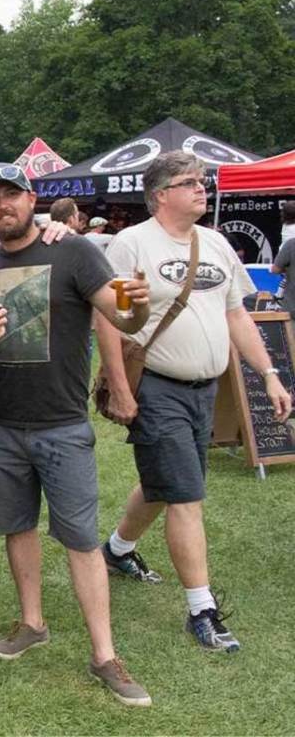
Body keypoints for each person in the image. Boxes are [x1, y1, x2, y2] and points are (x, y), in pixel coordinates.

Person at [0, 161, 152, 707]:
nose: (4, 206)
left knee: (79, 538)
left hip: (61, 424)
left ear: (33, 200)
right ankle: (32, 623)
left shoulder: (73, 252)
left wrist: (137, 301)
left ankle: (105, 655)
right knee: (16, 527)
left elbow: (121, 320)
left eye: (13, 195)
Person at [97, 151, 292, 652]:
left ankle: (117, 549)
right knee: (186, 495)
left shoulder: (219, 243)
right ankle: (201, 608)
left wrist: (269, 373)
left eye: (203, 182)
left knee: (165, 483)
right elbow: (107, 320)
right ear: (161, 194)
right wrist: (120, 387)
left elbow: (237, 318)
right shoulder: (131, 243)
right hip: (158, 385)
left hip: (206, 389)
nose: (202, 189)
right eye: (189, 183)